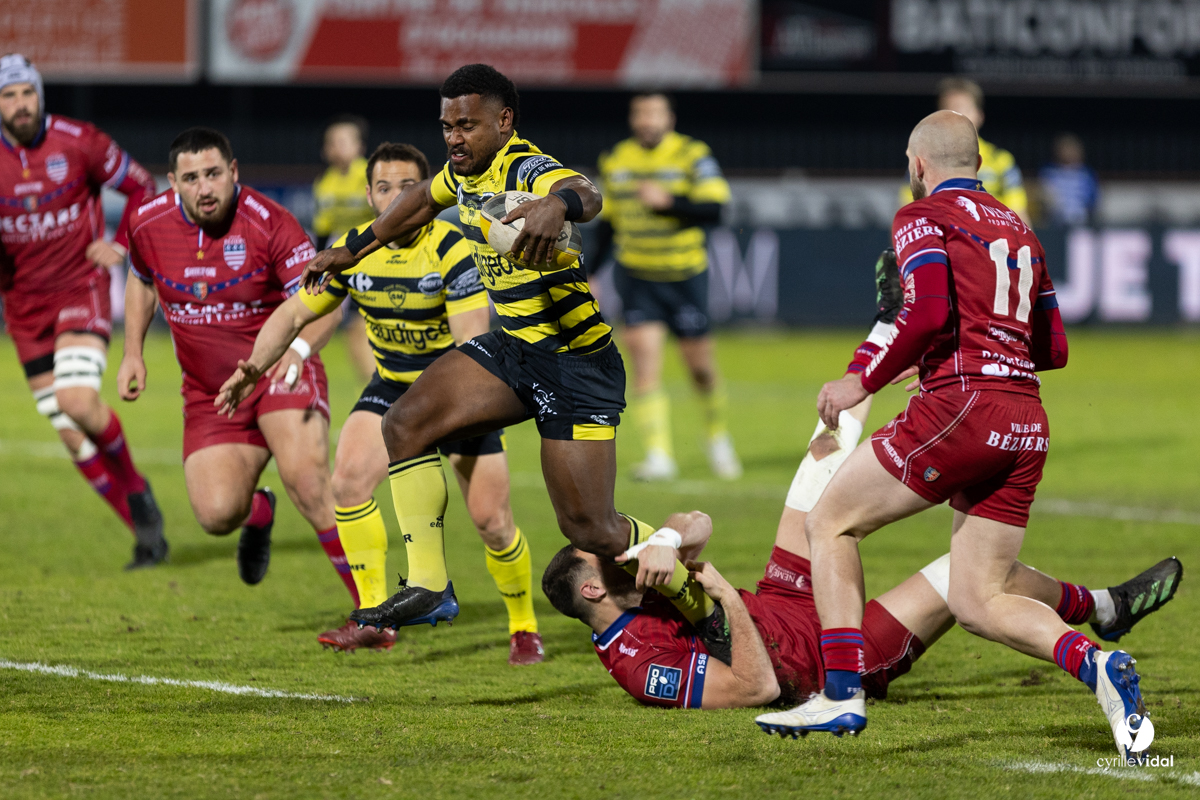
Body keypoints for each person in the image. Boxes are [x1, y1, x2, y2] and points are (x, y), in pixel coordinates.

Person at [302, 64, 725, 653]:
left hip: (576, 362)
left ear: (503, 122)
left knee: (588, 528)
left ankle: (699, 597)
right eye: (447, 125)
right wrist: (350, 248)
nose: (454, 138)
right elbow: (421, 200)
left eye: (467, 125)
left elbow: (586, 190)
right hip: (514, 349)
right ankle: (428, 584)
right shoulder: (459, 172)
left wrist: (560, 208)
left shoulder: (524, 165)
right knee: (404, 422)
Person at [784, 109, 1154, 760]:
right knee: (978, 598)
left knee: (831, 523)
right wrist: (978, 356)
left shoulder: (920, 216)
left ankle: (840, 694)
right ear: (979, 164)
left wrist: (859, 381)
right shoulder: (1020, 228)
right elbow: (1054, 347)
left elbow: (924, 310)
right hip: (1025, 419)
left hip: (963, 408)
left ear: (918, 164)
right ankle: (1098, 667)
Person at [217, 142, 544, 664]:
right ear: (369, 195)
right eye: (384, 187)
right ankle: (377, 618)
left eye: (408, 187)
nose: (395, 197)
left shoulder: (451, 248)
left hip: (458, 392)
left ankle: (524, 626)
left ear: (425, 195)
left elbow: (470, 343)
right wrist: (253, 366)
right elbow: (294, 313)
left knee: (492, 522)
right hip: (393, 386)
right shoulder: (354, 249)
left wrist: (434, 422)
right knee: (345, 483)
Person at [119, 127, 355, 601]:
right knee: (216, 515)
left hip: (278, 374)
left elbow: (325, 301)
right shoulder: (145, 222)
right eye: (190, 178)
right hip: (212, 393)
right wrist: (132, 352)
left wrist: (297, 351)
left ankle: (371, 609)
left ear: (233, 172)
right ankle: (258, 512)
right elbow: (141, 280)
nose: (203, 188)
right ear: (173, 181)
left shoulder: (273, 223)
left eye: (212, 174)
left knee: (308, 485)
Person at [0, 53, 165, 569]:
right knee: (72, 437)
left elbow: (143, 186)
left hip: (80, 290)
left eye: (27, 92)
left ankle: (136, 487)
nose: (20, 104)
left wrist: (119, 243)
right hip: (24, 312)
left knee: (76, 399)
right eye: (9, 95)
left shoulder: (79, 140)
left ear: (40, 95)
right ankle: (147, 537)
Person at [595, 93, 739, 481]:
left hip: (684, 276)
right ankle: (659, 456)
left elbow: (717, 209)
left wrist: (670, 202)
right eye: (640, 113)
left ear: (669, 119)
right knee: (644, 366)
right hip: (637, 276)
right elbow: (609, 224)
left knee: (701, 370)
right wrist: (592, 272)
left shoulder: (692, 155)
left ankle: (716, 436)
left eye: (654, 113)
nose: (646, 120)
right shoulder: (617, 159)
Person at [901, 78, 1029, 226]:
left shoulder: (1001, 161)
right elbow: (907, 217)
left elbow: (1019, 217)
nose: (956, 118)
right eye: (949, 111)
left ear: (979, 115)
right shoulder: (922, 162)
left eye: (964, 110)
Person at [312, 115, 376, 381]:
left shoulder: (371, 175)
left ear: (359, 146)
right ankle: (380, 391)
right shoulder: (324, 184)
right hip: (349, 263)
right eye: (332, 142)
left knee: (361, 328)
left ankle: (385, 392)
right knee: (354, 329)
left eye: (343, 140)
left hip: (377, 257)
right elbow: (323, 232)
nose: (336, 146)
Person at [1039, 133, 1099, 227]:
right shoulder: (1049, 173)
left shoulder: (1086, 174)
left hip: (1082, 223)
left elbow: (1093, 200)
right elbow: (1044, 198)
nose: (1069, 152)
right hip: (1055, 224)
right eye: (1065, 148)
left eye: (1072, 148)